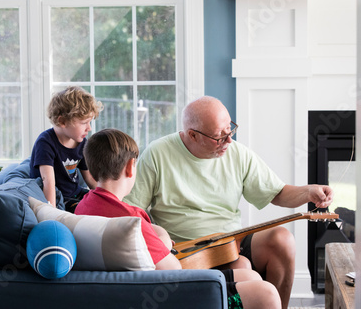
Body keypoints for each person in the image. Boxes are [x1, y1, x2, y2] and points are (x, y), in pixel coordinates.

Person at [124, 96, 334, 309]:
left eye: (230, 129)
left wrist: (309, 192)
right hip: (185, 251)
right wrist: (159, 237)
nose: (229, 141)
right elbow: (131, 212)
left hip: (230, 243)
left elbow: (277, 193)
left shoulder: (237, 153)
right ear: (193, 135)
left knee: (283, 240)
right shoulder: (157, 154)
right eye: (219, 136)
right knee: (243, 267)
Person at [75, 128, 281, 309]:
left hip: (131, 286)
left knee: (250, 275)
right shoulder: (131, 223)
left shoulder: (84, 205)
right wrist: (163, 242)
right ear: (130, 167)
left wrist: (160, 235)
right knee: (267, 294)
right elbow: (173, 270)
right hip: (173, 291)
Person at [29, 86, 103, 211]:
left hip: (76, 194)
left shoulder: (81, 143)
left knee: (103, 206)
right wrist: (51, 212)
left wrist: (106, 198)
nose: (89, 128)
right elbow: (48, 182)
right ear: (62, 121)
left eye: (89, 123)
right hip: (59, 198)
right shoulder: (46, 142)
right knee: (88, 210)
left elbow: (89, 177)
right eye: (84, 123)